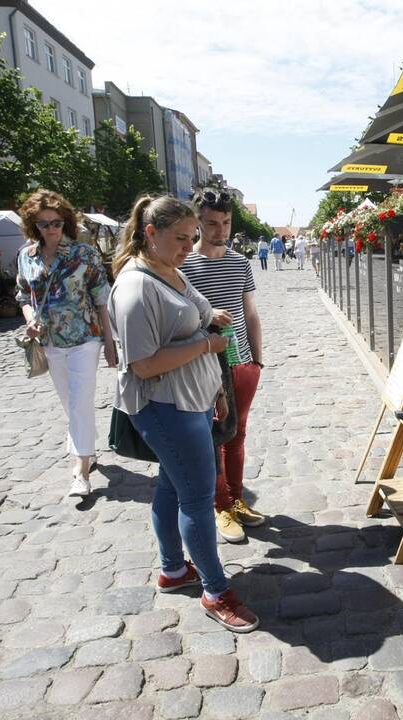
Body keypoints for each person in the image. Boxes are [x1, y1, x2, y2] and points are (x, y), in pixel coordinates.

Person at [108, 194, 259, 634]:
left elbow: (201, 311)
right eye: (181, 238)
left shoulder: (169, 270)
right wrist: (207, 346)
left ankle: (173, 570)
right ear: (150, 233)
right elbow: (144, 363)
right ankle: (216, 591)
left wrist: (216, 373)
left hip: (190, 400)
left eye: (194, 237)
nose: (190, 247)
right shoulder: (136, 285)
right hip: (164, 406)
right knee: (195, 496)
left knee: (173, 488)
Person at [16, 190, 116, 497]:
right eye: (44, 224)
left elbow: (102, 299)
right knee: (69, 402)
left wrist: (110, 343)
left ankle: (81, 470)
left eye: (57, 222)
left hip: (85, 337)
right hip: (50, 341)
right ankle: (89, 449)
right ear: (34, 225)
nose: (51, 229)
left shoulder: (84, 255)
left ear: (66, 222)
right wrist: (30, 317)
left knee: (80, 400)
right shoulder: (26, 256)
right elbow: (23, 295)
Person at [182, 188, 268, 543]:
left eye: (226, 222)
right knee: (213, 437)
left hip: (242, 363)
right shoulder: (184, 265)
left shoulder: (239, 262)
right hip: (204, 367)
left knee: (238, 433)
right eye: (212, 223)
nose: (220, 230)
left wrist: (257, 360)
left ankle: (236, 498)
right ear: (198, 222)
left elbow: (250, 314)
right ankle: (220, 505)